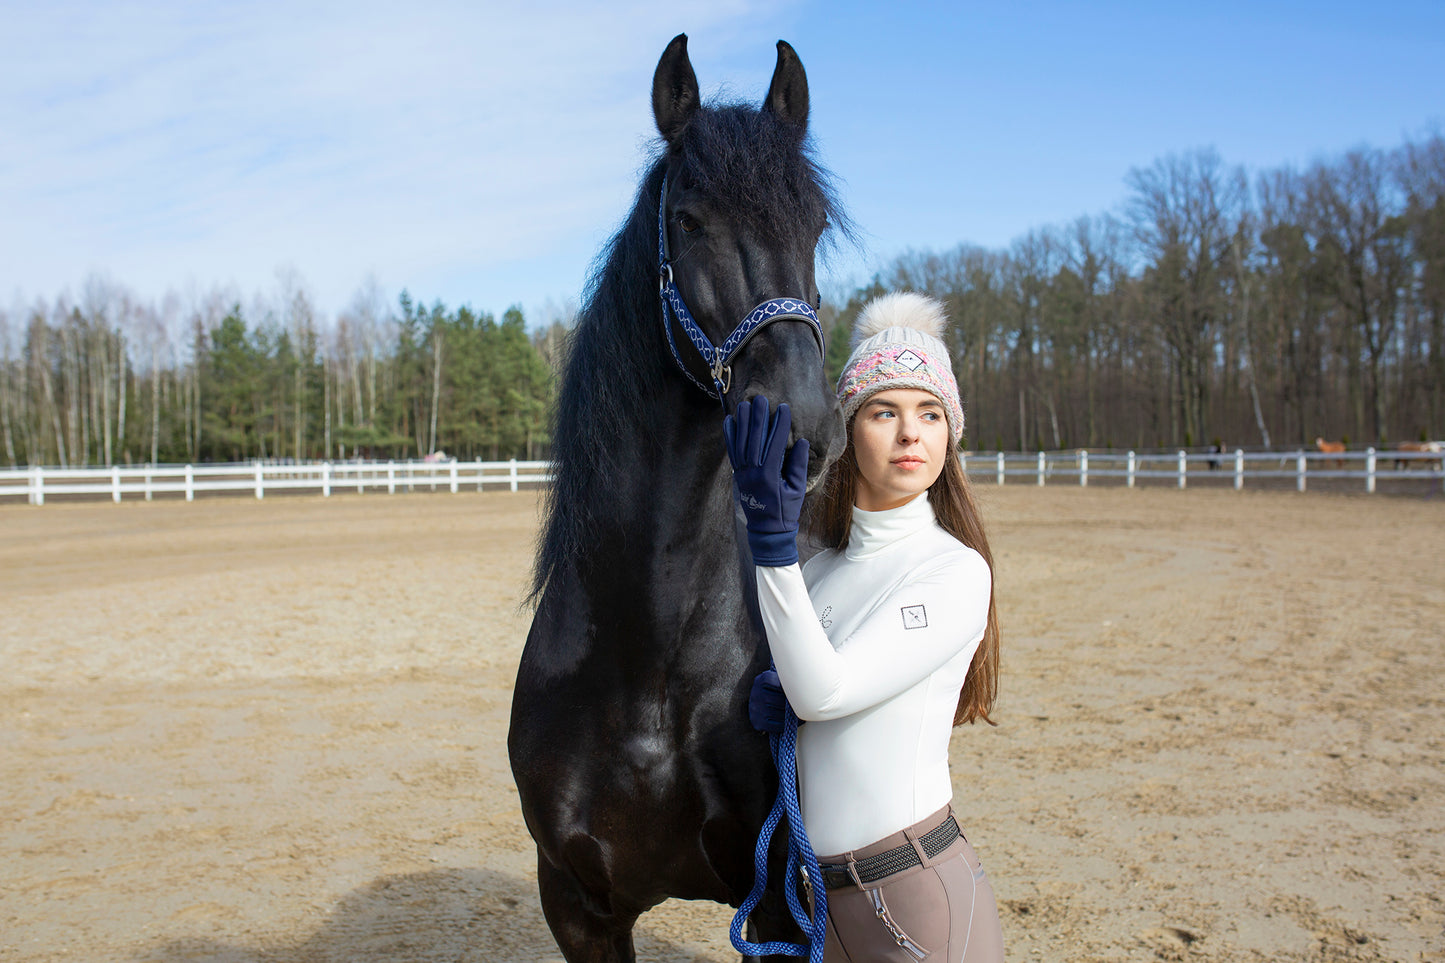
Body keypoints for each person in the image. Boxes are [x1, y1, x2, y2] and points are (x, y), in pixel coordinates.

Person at [724, 291, 1004, 962]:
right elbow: (809, 695)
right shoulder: (819, 570)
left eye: (929, 413)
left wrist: (770, 550)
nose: (911, 433)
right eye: (885, 411)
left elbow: (826, 691)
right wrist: (777, 700)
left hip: (913, 891)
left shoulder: (954, 571)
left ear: (948, 433)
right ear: (850, 428)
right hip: (822, 900)